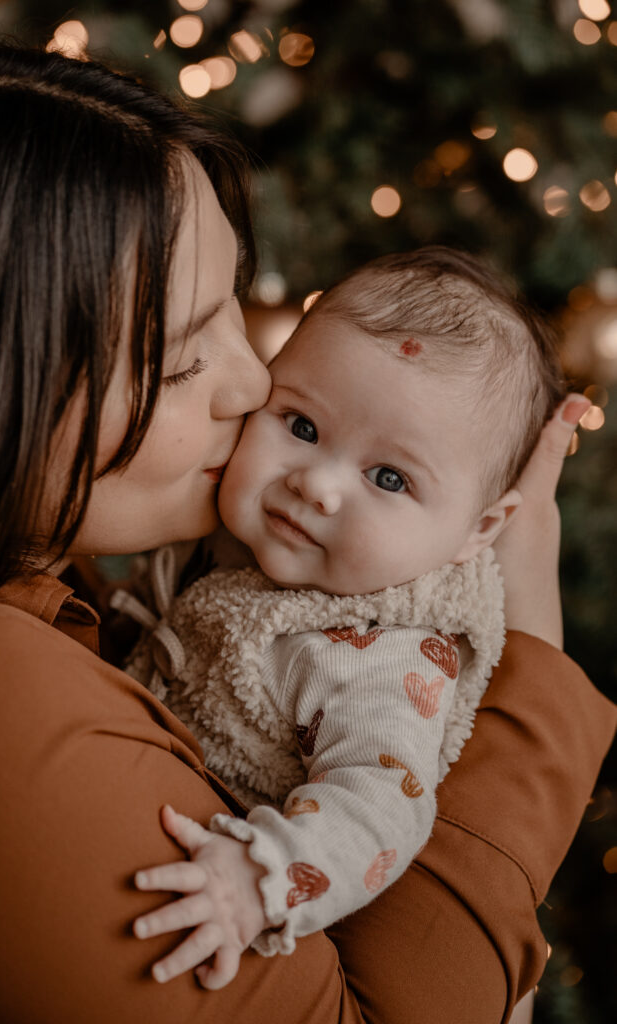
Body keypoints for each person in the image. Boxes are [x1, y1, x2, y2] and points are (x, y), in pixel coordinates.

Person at [0, 42, 614, 1024]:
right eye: (178, 361)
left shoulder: (69, 584)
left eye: (235, 322)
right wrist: (533, 668)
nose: (252, 388)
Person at [120, 248, 564, 986]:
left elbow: (381, 807)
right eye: (299, 425)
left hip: (255, 908)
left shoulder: (381, 655)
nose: (317, 485)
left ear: (477, 531)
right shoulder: (225, 536)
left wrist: (261, 879)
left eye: (388, 477)